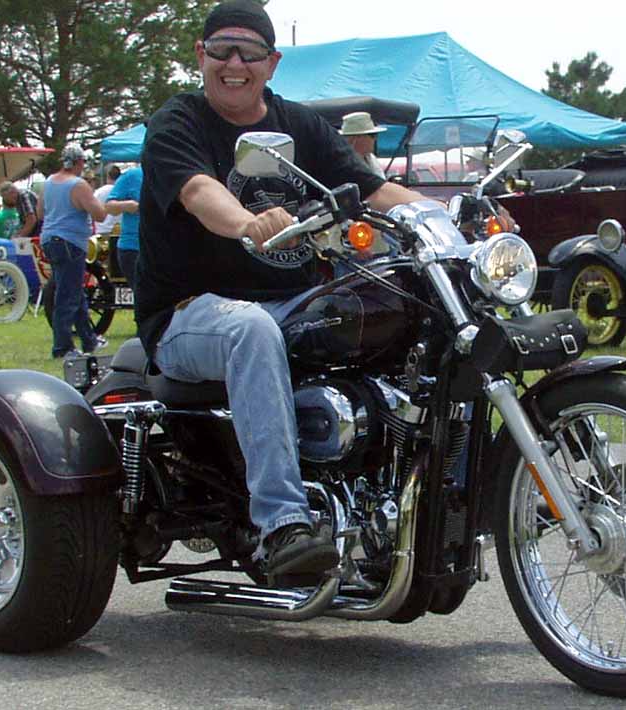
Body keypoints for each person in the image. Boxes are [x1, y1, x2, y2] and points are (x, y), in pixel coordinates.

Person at [136, 0, 428, 583]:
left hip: (291, 301)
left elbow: (371, 189)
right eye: (221, 50)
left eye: (248, 53)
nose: (234, 64)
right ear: (200, 55)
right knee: (251, 327)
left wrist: (447, 215)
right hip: (188, 312)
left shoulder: (300, 125)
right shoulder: (178, 122)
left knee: (398, 307)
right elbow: (199, 192)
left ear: (272, 63)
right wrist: (247, 221)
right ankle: (284, 525)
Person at [36, 143, 109, 358]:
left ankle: (89, 340)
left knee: (74, 291)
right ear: (79, 162)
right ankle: (62, 347)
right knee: (67, 297)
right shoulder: (78, 185)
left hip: (49, 239)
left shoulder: (49, 182)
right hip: (71, 242)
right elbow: (99, 214)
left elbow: (40, 213)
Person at [105, 165, 143, 287]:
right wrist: (127, 205)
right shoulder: (131, 175)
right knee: (144, 293)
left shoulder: (172, 174)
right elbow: (109, 206)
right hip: (133, 247)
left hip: (165, 248)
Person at [339, 111, 387, 178]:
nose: (375, 139)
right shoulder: (343, 163)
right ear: (356, 138)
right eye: (372, 135)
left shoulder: (371, 158)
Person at [93, 165, 122, 237]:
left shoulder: (99, 192)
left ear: (107, 176)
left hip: (102, 230)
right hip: (120, 231)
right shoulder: (123, 191)